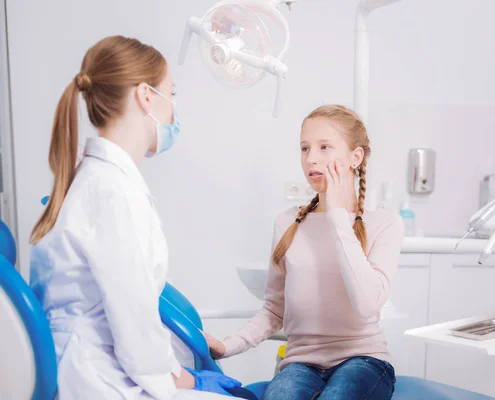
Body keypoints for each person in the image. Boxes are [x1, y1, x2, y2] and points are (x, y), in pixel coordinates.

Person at [28, 35, 250, 400]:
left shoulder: (95, 182)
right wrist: (188, 380)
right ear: (147, 97)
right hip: (95, 381)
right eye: (171, 94)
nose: (174, 110)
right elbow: (134, 327)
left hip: (87, 370)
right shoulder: (112, 194)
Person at [204, 105, 404, 399]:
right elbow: (274, 310)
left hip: (364, 360)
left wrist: (337, 216)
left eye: (325, 147)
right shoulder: (287, 222)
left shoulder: (384, 223)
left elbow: (367, 303)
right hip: (301, 363)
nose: (311, 158)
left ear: (355, 157)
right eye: (305, 148)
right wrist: (228, 345)